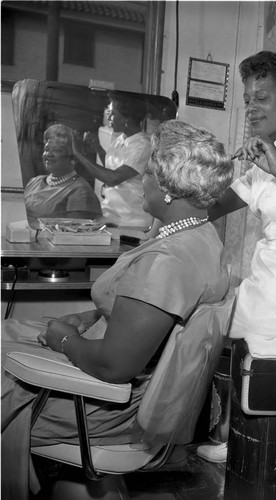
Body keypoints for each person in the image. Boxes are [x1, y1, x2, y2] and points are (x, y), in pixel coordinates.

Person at [2, 119, 234, 499]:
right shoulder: (198, 236)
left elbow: (114, 366)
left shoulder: (169, 261)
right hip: (115, 384)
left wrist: (64, 340)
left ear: (169, 189)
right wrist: (86, 319)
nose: (142, 180)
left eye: (148, 174)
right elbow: (139, 314)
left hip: (103, 409)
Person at [196, 51, 276, 463]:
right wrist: (178, 186)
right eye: (247, 98)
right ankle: (230, 431)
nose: (251, 108)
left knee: (208, 323)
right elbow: (212, 207)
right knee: (208, 314)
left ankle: (234, 434)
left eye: (262, 98)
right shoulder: (269, 150)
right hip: (269, 277)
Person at [73, 93, 153, 229]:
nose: (109, 118)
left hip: (130, 221)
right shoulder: (119, 140)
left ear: (128, 118)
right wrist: (98, 149)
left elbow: (114, 178)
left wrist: (78, 154)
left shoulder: (143, 145)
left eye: (113, 114)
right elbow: (114, 169)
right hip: (111, 216)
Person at [24, 123, 102, 229]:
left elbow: (73, 236)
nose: (48, 154)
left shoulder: (80, 190)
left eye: (56, 150)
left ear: (72, 158)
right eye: (46, 149)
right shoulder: (34, 182)